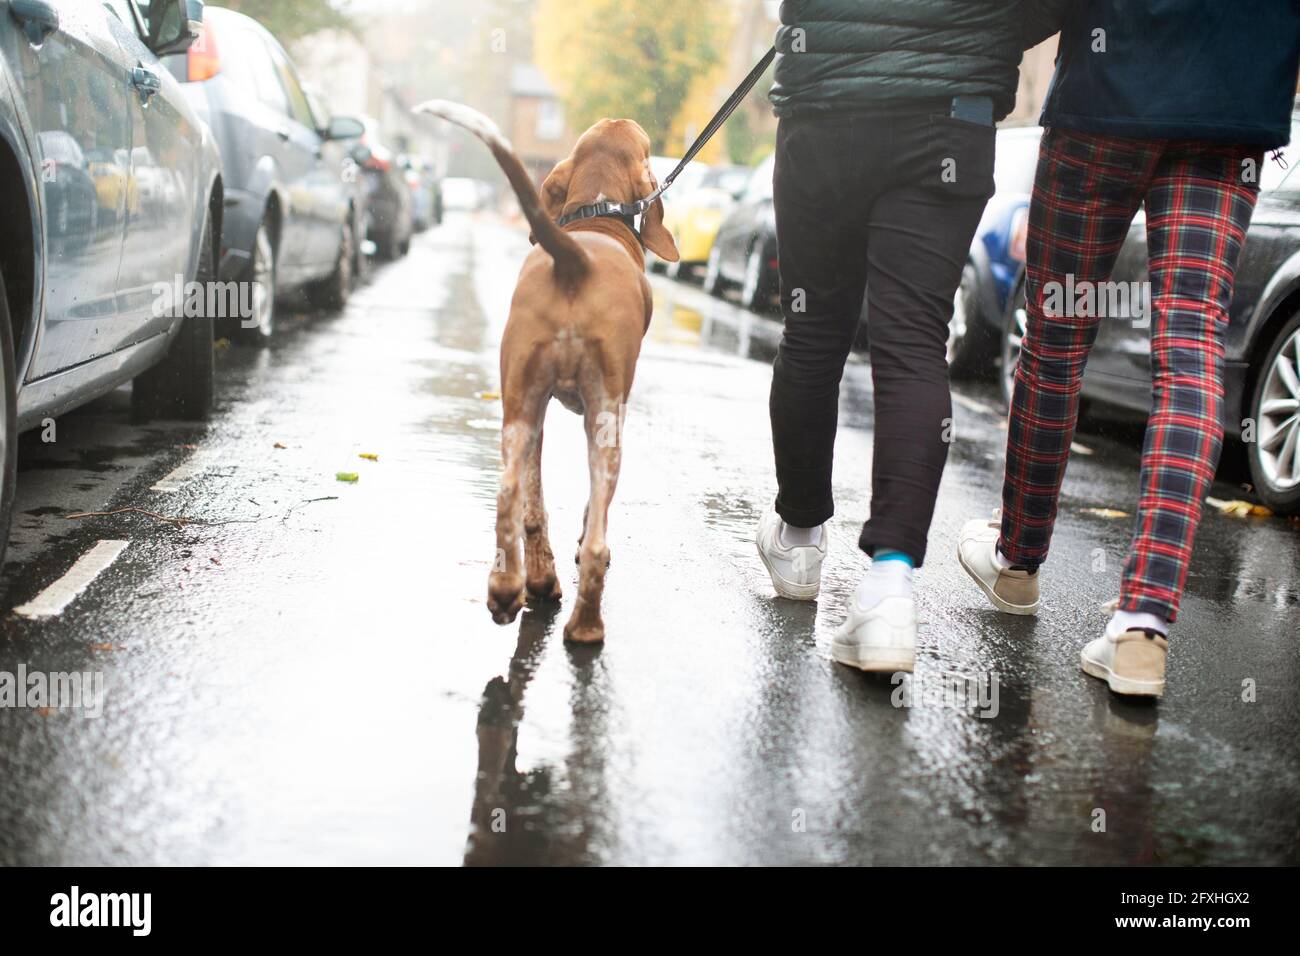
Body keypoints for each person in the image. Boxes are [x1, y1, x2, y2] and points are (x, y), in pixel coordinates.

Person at [959, 1, 1300, 698]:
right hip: (1232, 103)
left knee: (1056, 334)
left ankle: (1018, 561)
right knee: (1192, 347)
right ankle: (1143, 624)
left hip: (1106, 96)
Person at [755, 1, 1063, 672]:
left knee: (812, 333)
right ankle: (888, 592)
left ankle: (800, 537)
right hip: (951, 113)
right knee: (915, 344)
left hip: (827, 106)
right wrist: (979, 31)